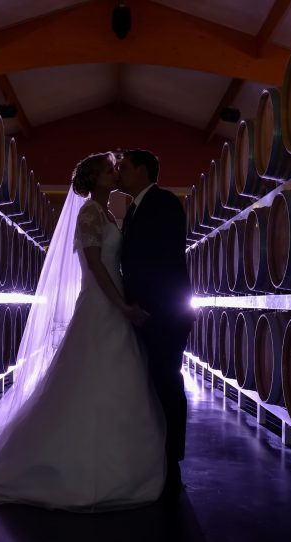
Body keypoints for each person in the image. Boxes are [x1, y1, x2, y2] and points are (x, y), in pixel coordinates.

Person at [0, 152, 166, 510]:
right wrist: (121, 306)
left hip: (114, 302)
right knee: (90, 378)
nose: (115, 172)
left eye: (116, 168)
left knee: (111, 378)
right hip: (101, 303)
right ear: (94, 178)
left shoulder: (107, 213)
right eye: (109, 169)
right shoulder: (90, 211)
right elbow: (92, 265)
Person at [116, 149, 193, 494]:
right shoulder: (133, 209)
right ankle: (152, 449)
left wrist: (146, 304)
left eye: (125, 168)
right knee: (148, 382)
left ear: (143, 170)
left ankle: (172, 454)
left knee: (166, 380)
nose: (119, 173)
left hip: (162, 312)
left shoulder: (164, 203)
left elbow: (164, 259)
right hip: (141, 312)